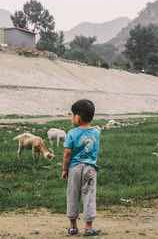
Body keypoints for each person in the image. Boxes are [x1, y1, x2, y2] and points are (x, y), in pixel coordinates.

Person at [62, 99, 100, 236]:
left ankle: (73, 226)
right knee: (89, 196)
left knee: (73, 195)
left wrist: (65, 169)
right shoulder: (96, 132)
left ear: (77, 117)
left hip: (74, 169)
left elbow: (67, 153)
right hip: (90, 168)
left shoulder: (71, 133)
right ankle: (89, 227)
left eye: (71, 115)